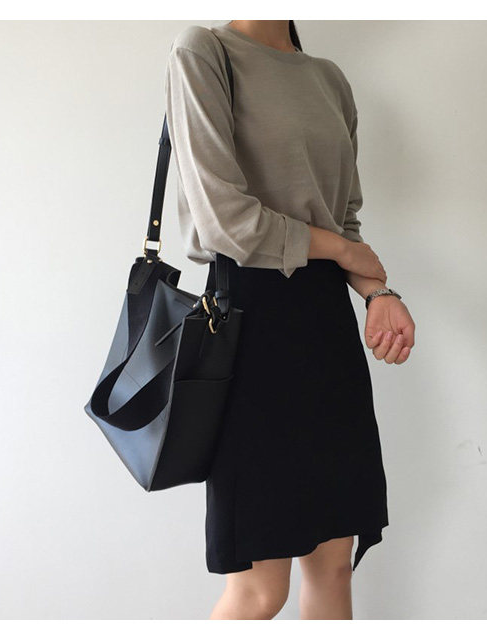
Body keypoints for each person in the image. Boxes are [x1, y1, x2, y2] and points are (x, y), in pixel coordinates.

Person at [164, 19, 416, 620]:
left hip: (326, 328)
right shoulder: (204, 51)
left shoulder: (329, 79)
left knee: (333, 569)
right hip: (248, 326)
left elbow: (343, 218)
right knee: (260, 590)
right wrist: (344, 251)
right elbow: (224, 219)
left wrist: (379, 292)